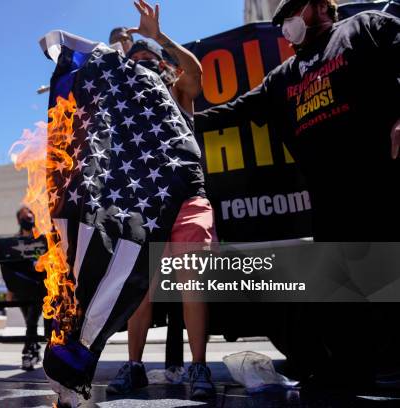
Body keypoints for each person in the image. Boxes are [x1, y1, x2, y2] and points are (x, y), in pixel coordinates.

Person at [193, 0, 399, 387]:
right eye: (281, 18)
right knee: (346, 294)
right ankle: (349, 373)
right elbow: (233, 112)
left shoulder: (365, 28)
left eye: (292, 10)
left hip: (384, 184)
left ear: (321, 5)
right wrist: (177, 122)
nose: (285, 22)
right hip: (330, 202)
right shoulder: (282, 77)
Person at [106, 0, 217, 400]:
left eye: (148, 58)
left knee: (192, 284)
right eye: (135, 59)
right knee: (140, 291)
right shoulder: (124, 106)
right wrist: (119, 50)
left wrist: (158, 37)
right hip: (144, 207)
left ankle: (199, 365)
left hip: (187, 198)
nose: (141, 63)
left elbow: (196, 71)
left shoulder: (178, 91)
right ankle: (134, 367)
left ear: (163, 64)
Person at [0, 206, 47, 371]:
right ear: (18, 219)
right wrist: (10, 291)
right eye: (24, 216)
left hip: (39, 288)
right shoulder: (15, 241)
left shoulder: (41, 239)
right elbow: (9, 269)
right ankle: (34, 350)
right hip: (22, 289)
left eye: (30, 214)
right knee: (30, 320)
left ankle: (28, 352)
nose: (28, 217)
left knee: (32, 319)